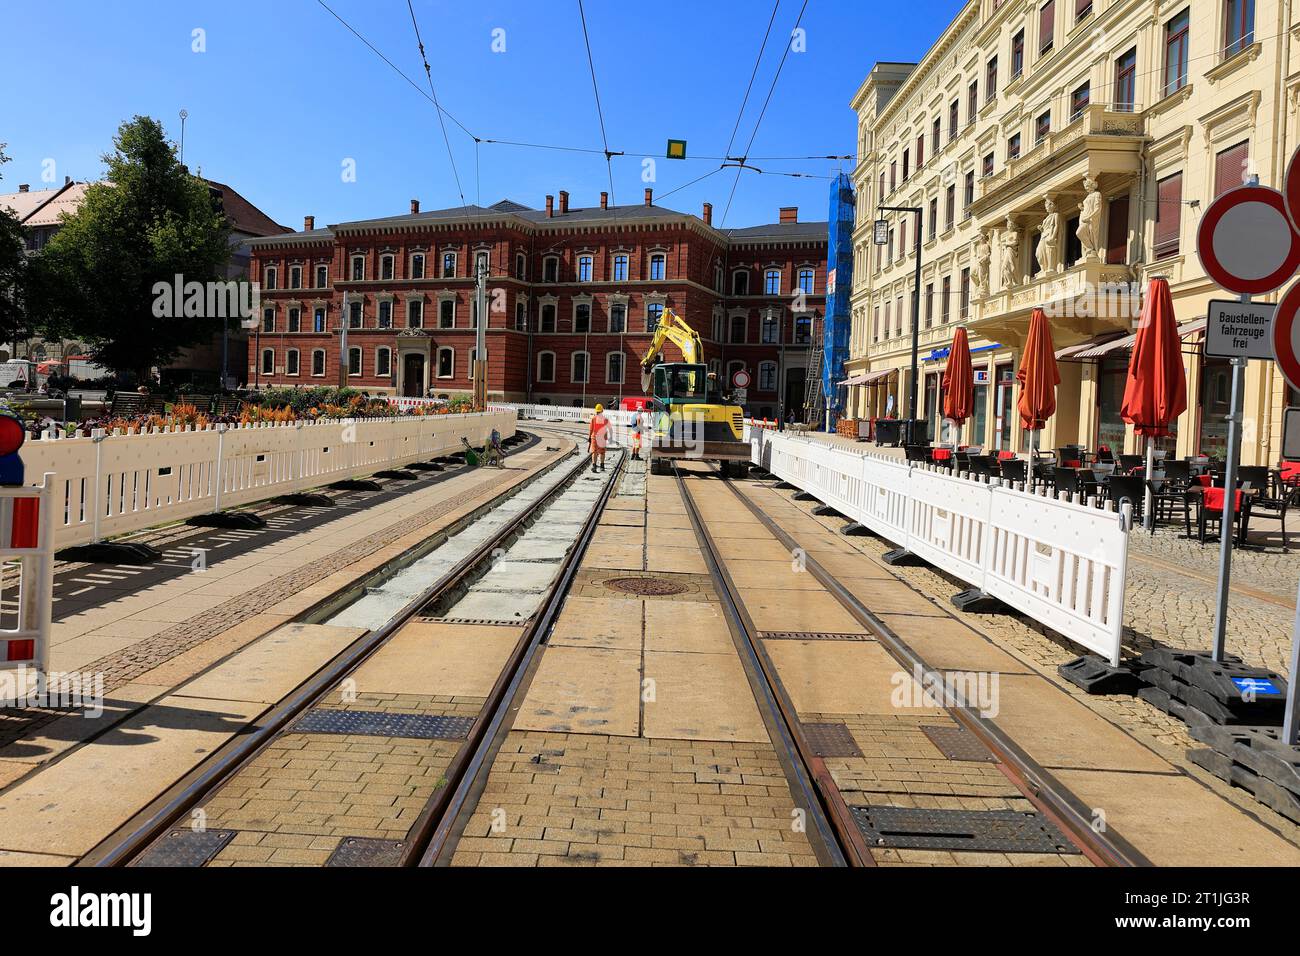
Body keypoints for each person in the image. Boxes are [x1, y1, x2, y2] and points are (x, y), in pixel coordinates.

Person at [589, 403, 610, 472]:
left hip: (594, 437)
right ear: (602, 410)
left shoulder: (593, 419)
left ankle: (594, 466)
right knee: (602, 452)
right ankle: (602, 466)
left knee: (594, 452)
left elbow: (591, 429)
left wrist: (589, 437)